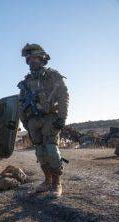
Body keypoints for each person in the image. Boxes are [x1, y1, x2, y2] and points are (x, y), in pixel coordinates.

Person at [18, 44, 69, 198]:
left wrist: (62, 118)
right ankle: (47, 181)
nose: (32, 61)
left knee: (52, 151)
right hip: (33, 121)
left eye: (35, 58)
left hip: (50, 118)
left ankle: (56, 183)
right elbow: (20, 103)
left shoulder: (52, 76)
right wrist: (25, 122)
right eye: (29, 59)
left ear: (42, 59)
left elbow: (63, 97)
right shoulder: (26, 82)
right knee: (40, 152)